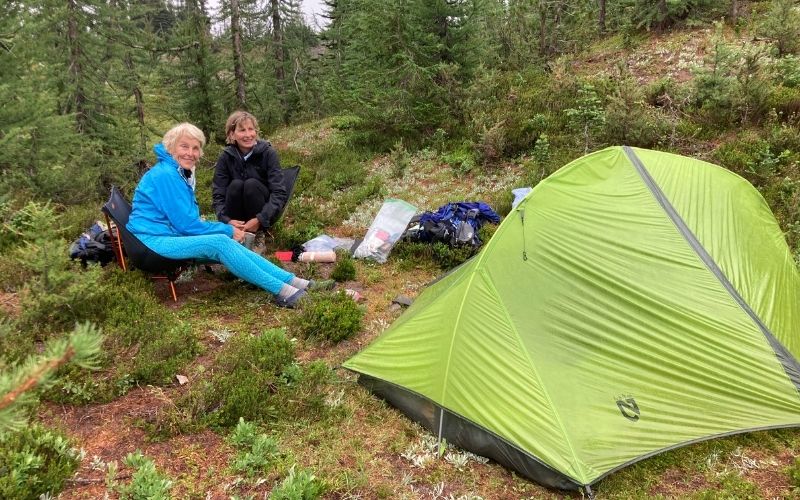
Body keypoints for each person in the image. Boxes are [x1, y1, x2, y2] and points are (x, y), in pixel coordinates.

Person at [127, 123, 328, 308]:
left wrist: (224, 230)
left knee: (222, 241)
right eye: (184, 147)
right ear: (171, 148)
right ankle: (284, 291)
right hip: (152, 243)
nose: (190, 153)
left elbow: (184, 221)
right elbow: (187, 226)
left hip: (164, 235)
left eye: (195, 148)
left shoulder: (176, 171)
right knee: (221, 242)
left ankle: (295, 282)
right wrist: (228, 229)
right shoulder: (166, 175)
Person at [212, 111, 287, 234]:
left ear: (256, 132)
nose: (248, 135)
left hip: (262, 214)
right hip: (235, 219)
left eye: (251, 129)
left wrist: (260, 219)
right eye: (242, 130)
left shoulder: (268, 153)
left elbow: (279, 192)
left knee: (251, 184)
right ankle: (237, 233)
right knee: (236, 185)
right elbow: (218, 194)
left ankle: (259, 235)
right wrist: (227, 220)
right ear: (232, 134)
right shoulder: (225, 157)